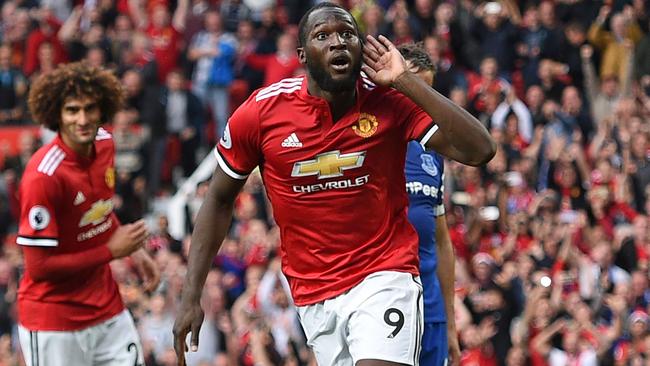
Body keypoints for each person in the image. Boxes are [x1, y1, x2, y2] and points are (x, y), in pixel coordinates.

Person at [173, 3, 495, 366]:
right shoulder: (260, 114)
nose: (337, 42)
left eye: (347, 34)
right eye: (322, 36)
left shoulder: (389, 101)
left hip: (384, 275)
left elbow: (480, 150)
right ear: (302, 55)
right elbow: (217, 200)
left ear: (361, 49)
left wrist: (405, 80)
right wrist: (190, 294)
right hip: (314, 292)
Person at [16, 62, 160, 366]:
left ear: (103, 108)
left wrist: (135, 253)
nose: (82, 119)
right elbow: (39, 266)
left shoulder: (106, 144)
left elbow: (99, 211)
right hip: (55, 321)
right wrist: (111, 251)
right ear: (56, 114)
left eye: (90, 108)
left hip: (107, 309)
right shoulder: (44, 176)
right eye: (72, 110)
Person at [399, 42, 461, 366]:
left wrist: (451, 324)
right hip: (386, 300)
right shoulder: (367, 138)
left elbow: (442, 241)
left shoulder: (431, 151)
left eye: (427, 92)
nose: (419, 100)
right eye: (411, 87)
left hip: (431, 307)